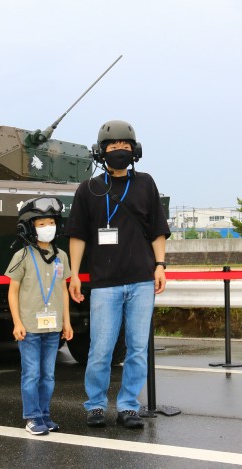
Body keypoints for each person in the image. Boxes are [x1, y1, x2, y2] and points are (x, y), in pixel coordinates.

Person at [64, 120, 170, 429]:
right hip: (105, 283)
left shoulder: (146, 183)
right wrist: (74, 275)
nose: (119, 151)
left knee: (137, 349)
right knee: (101, 349)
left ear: (134, 151)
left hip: (141, 280)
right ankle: (96, 405)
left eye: (125, 146)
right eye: (113, 147)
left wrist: (160, 265)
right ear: (101, 152)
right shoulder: (89, 189)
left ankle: (127, 406)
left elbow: (157, 231)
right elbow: (78, 235)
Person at [6, 196, 73, 436]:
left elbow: (63, 291)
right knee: (31, 374)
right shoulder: (21, 256)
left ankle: (45, 414)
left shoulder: (61, 256)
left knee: (49, 375)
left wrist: (67, 322)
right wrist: (17, 323)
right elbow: (12, 292)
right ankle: (32, 417)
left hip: (53, 328)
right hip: (30, 328)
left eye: (51, 223)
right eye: (41, 224)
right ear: (30, 228)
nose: (48, 228)